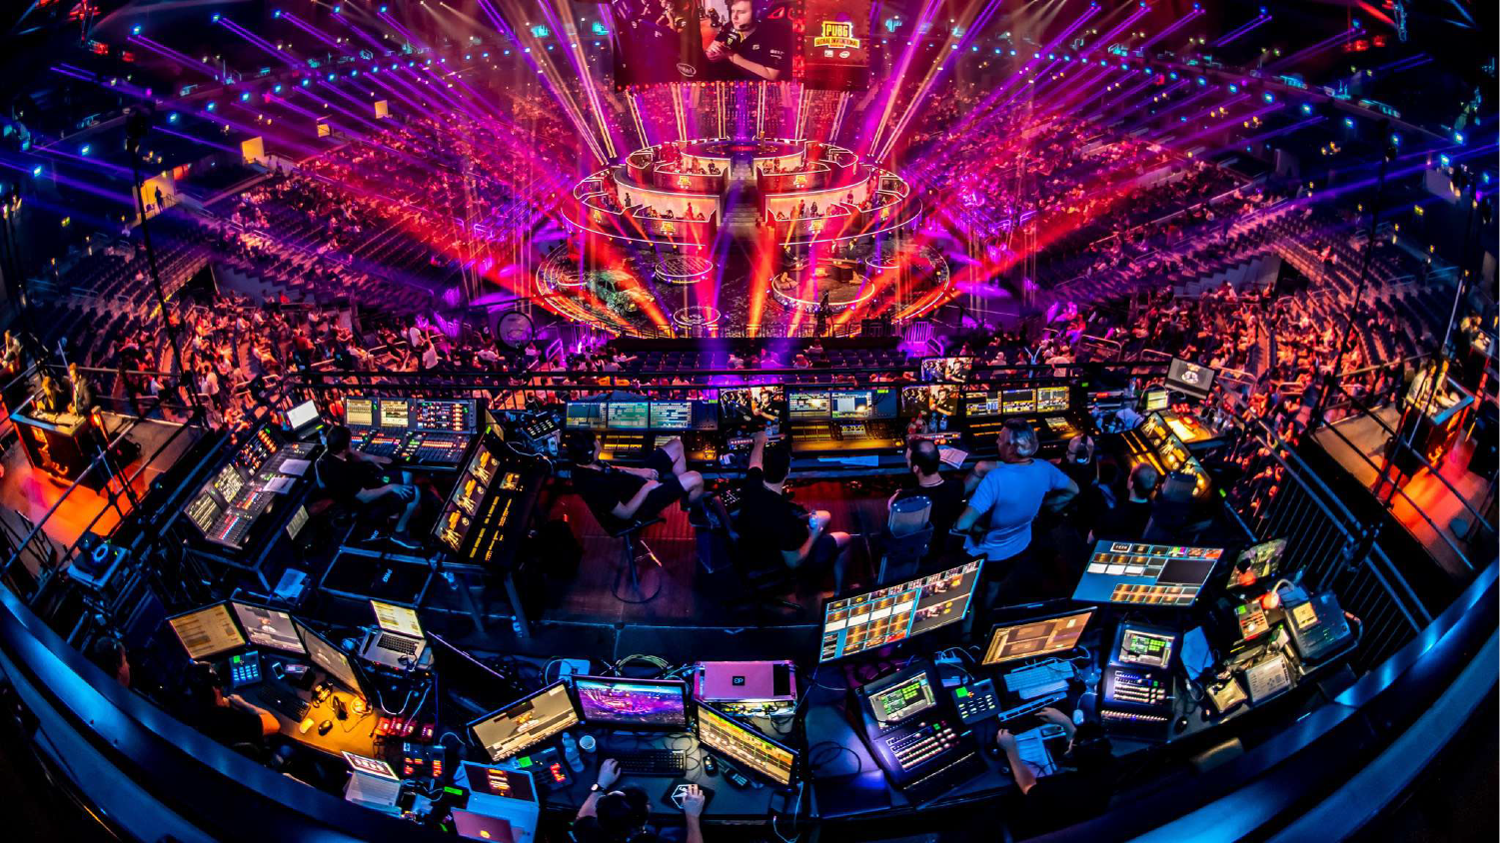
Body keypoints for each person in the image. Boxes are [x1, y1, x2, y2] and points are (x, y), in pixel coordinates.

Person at [736, 431, 851, 592]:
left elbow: (754, 462)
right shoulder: (782, 515)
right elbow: (794, 562)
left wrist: (759, 441)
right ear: (788, 471)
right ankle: (839, 591)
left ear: (763, 470)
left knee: (823, 515)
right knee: (844, 538)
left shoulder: (752, 484)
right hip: (773, 560)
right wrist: (815, 534)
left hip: (751, 546)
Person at [954, 420, 1078, 563]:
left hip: (989, 552)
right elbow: (1073, 490)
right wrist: (1044, 506)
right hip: (1022, 544)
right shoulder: (1046, 468)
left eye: (1000, 439)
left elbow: (962, 525)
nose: (996, 442)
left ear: (1012, 448)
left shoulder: (995, 479)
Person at [996, 710, 1116, 837]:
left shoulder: (1064, 789)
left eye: (1071, 746)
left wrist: (1010, 749)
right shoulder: (1109, 764)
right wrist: (1066, 722)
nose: (1068, 749)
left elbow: (1028, 786)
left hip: (1042, 826)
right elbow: (1083, 751)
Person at [565, 430, 705, 524]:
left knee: (676, 444)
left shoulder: (586, 463)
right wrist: (647, 488)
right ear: (590, 453)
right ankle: (696, 515)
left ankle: (686, 498)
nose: (598, 443)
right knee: (695, 478)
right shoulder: (592, 485)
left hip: (635, 483)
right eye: (596, 442)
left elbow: (612, 470)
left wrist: (639, 472)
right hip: (639, 504)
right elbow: (625, 514)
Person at [316, 425, 421, 544]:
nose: (351, 443)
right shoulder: (340, 473)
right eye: (350, 441)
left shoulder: (330, 454)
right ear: (343, 448)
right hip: (365, 503)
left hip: (369, 485)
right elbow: (366, 497)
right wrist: (391, 487)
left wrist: (372, 458)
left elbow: (355, 454)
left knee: (406, 473)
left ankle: (397, 511)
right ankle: (398, 531)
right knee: (415, 492)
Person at [181, 661, 279, 750]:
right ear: (215, 687)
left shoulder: (189, 710)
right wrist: (244, 704)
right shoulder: (229, 718)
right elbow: (274, 724)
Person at [888, 437, 966, 541]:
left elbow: (891, 509)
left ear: (916, 468)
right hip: (943, 543)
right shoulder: (957, 486)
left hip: (920, 545)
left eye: (908, 460)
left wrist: (897, 496)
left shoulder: (905, 498)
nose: (907, 462)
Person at [705, 0, 790, 82]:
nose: (734, 17)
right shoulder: (730, 26)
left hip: (757, 87)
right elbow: (714, 47)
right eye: (733, 11)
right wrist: (711, 52)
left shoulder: (774, 34)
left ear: (756, 14)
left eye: (741, 12)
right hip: (727, 82)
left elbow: (771, 75)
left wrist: (731, 56)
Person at [1092, 462, 1158, 542]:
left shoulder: (1111, 517)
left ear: (1131, 484)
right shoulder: (1156, 515)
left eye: (1130, 475)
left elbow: (1090, 540)